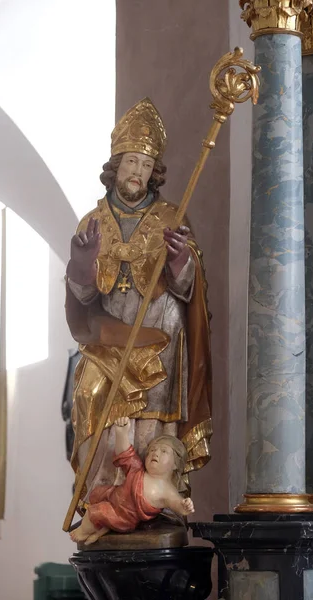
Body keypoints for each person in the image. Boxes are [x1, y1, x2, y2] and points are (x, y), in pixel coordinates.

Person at [65, 97, 212, 503]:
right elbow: (83, 296)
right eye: (131, 162)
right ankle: (100, 495)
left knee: (150, 418)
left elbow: (189, 292)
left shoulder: (171, 216)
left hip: (161, 334)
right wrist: (81, 265)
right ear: (116, 165)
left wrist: (183, 260)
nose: (138, 173)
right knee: (90, 398)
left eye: (146, 166)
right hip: (109, 334)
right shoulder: (93, 222)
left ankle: (147, 501)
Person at [70, 417, 194, 545]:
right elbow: (125, 454)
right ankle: (103, 528)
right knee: (95, 495)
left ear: (175, 464)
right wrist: (122, 433)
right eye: (152, 450)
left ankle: (83, 531)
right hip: (111, 497)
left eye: (164, 451)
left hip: (123, 517)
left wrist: (184, 506)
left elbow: (176, 503)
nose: (155, 453)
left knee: (94, 512)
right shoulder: (137, 469)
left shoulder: (167, 490)